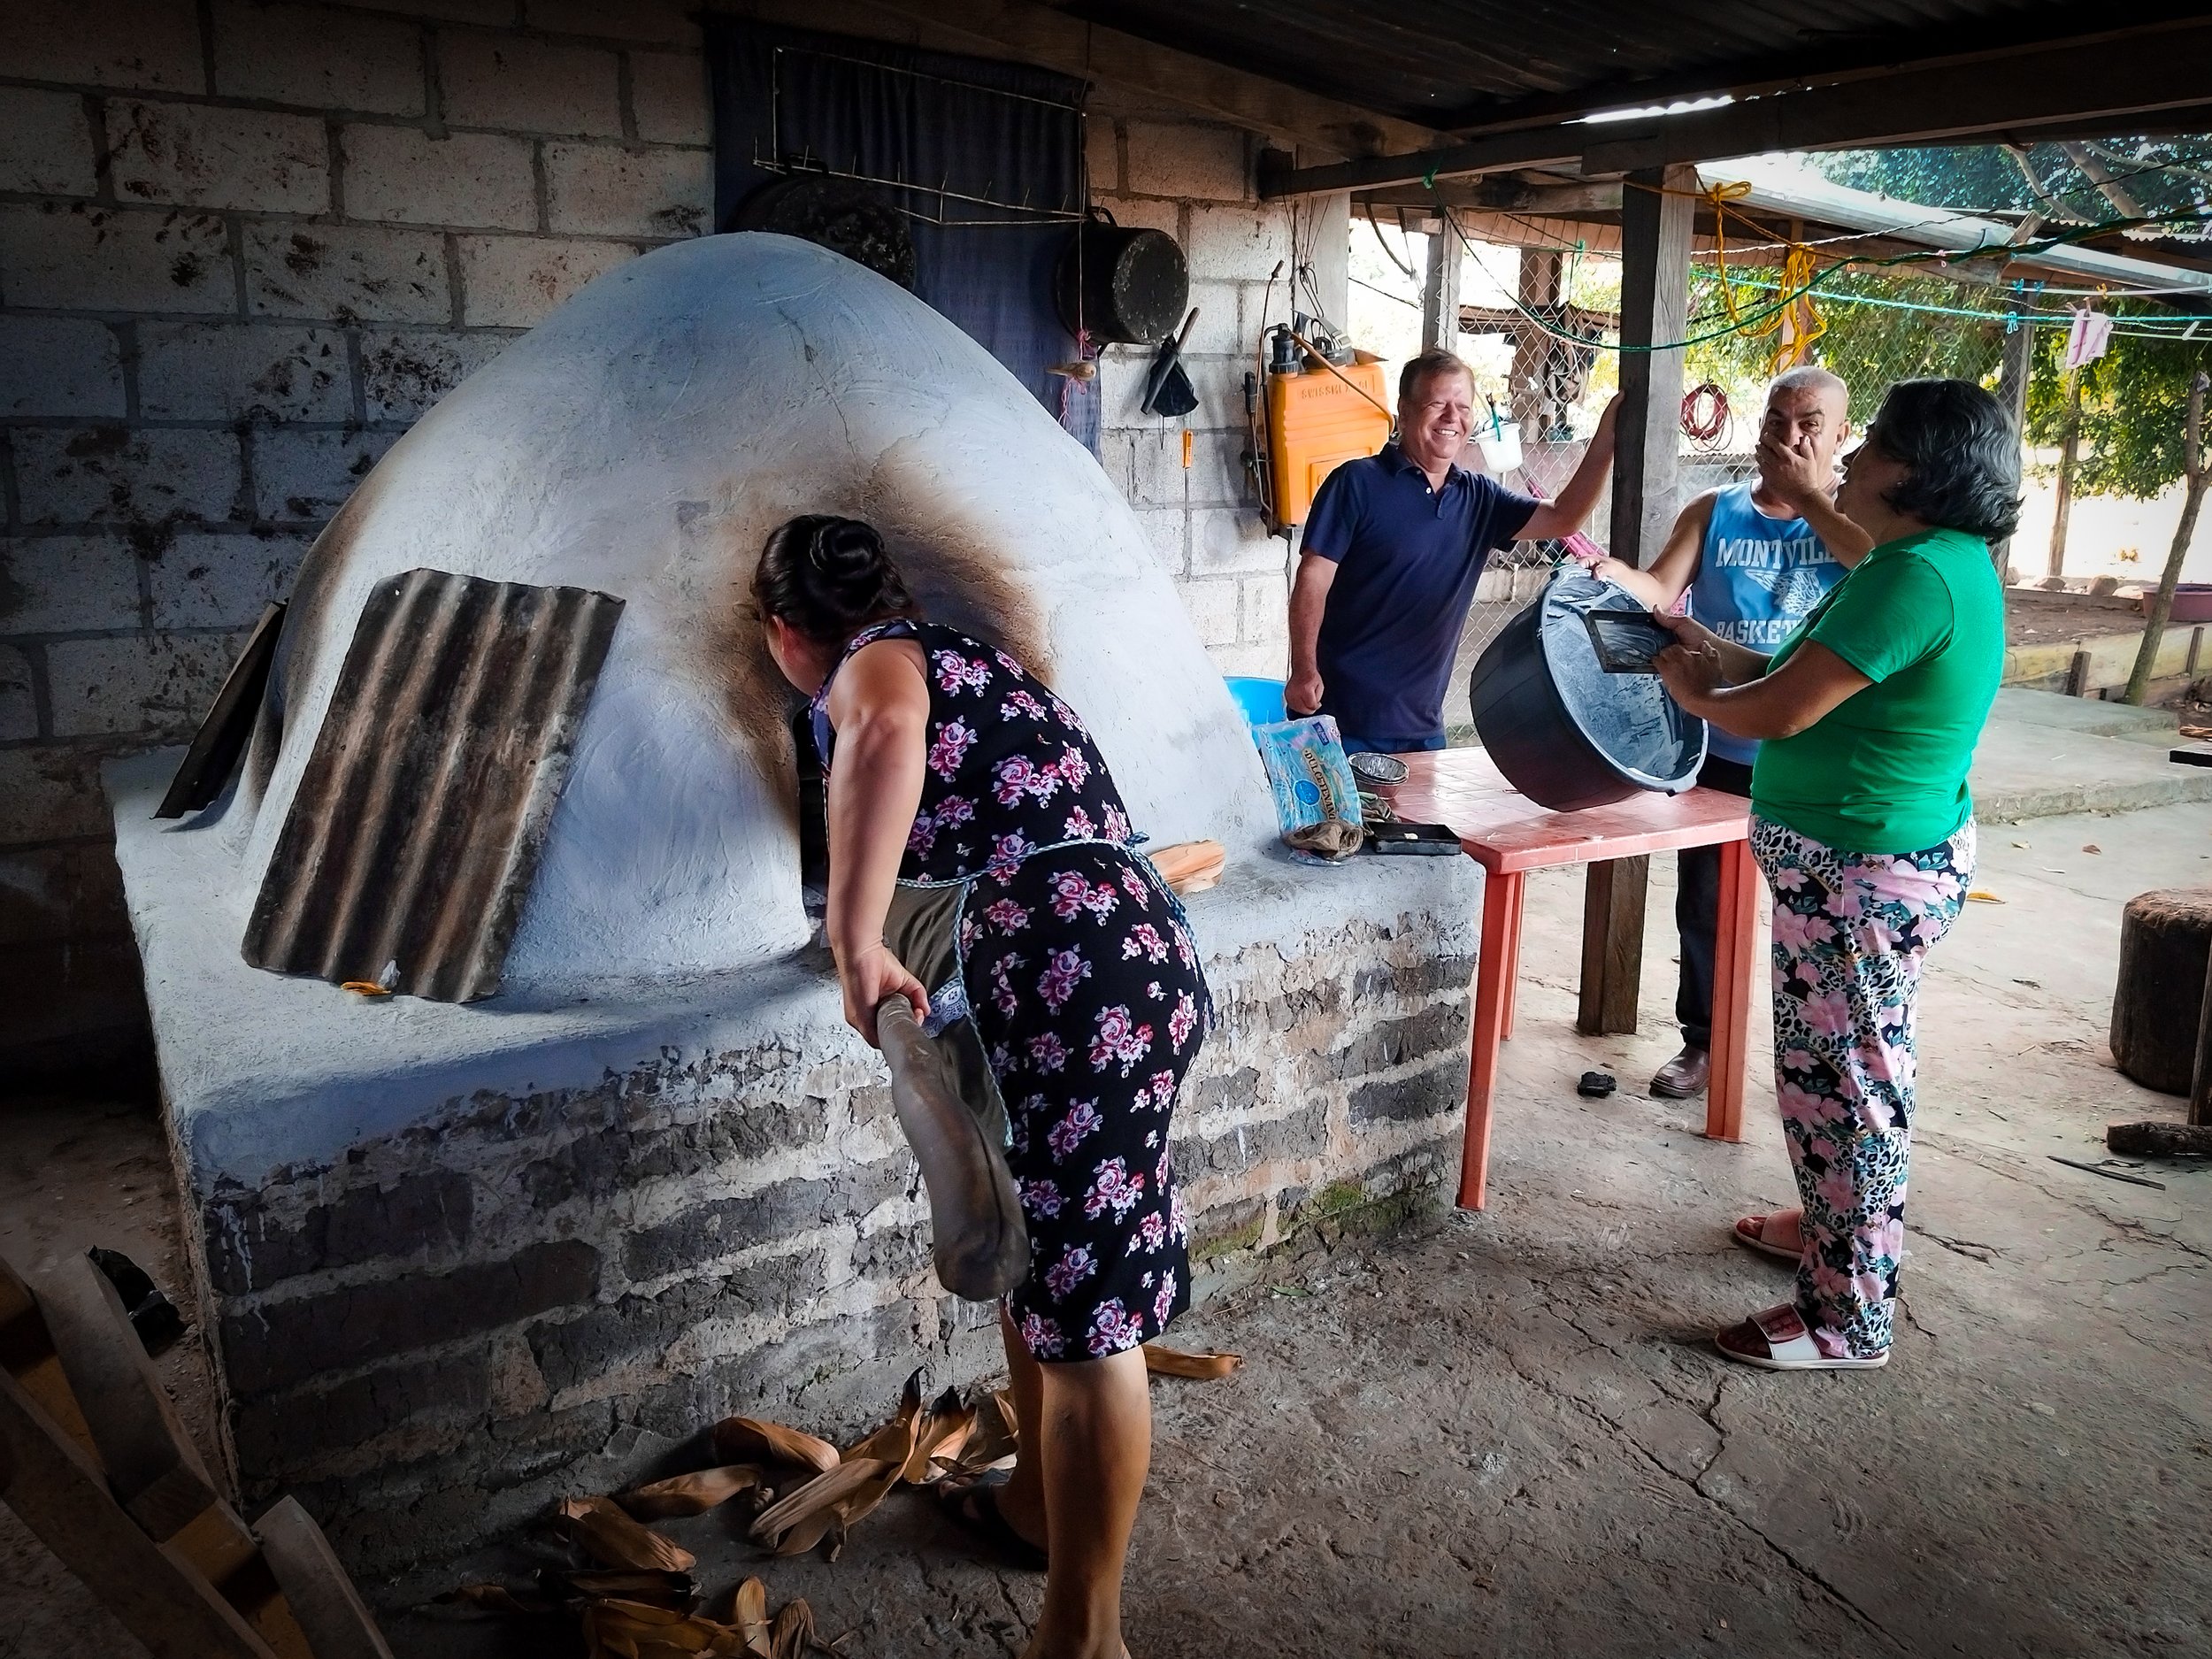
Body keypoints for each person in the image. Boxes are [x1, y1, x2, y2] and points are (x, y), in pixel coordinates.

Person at [756, 514, 1208, 1659]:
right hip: (1129, 949)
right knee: (1043, 1259)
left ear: (782, 632)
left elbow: (887, 728)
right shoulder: (981, 663)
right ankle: (1033, 1512)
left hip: (1065, 981)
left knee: (1092, 1322)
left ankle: (1084, 1636)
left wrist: (857, 937)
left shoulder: (881, 667)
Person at [1650, 379, 2019, 1371]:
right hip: (1854, 870)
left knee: (1848, 1087)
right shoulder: (1913, 560)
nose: (1850, 460)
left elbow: (1782, 712)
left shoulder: (1917, 576)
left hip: (1863, 875)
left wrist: (1694, 689)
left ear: (1920, 473)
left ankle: (1845, 1315)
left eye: (1874, 447)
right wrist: (1713, 653)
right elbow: (1792, 673)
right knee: (1828, 1077)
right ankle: (1832, 1234)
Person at [1592, 366, 1872, 1101]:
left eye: (1810, 423)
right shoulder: (1714, 509)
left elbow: (1880, 572)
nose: (1790, 435)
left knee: (1816, 923)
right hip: (1721, 742)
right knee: (1707, 906)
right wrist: (1620, 579)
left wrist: (1813, 499)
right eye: (1778, 419)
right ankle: (1704, 1044)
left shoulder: (1860, 519)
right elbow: (1662, 586)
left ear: (1842, 434)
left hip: (1813, 753)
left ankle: (1816, 1066)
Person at [1285, 348, 1619, 751]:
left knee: (1423, 818)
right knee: (1337, 819)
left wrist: (1606, 439)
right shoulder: (1356, 483)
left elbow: (1564, 518)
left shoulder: (1479, 498)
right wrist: (1303, 669)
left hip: (1423, 729)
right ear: (1404, 411)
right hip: (1338, 720)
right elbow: (1312, 579)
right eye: (1436, 404)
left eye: (1462, 407)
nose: (1451, 418)